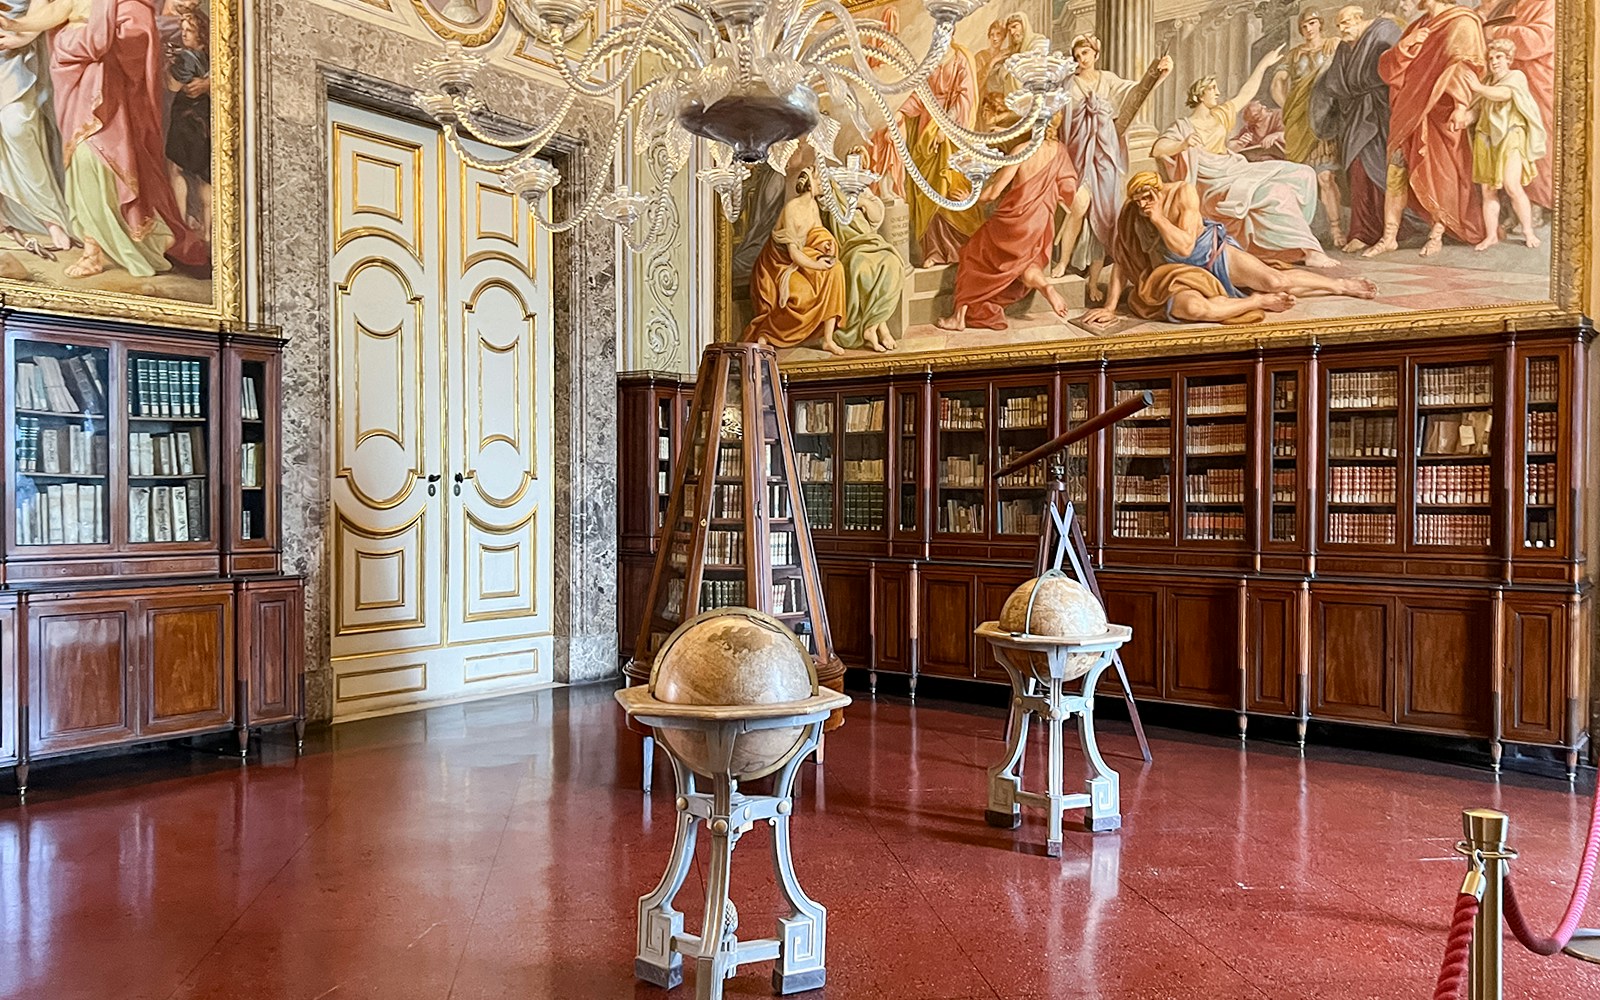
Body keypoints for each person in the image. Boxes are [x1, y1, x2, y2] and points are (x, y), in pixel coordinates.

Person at [0, 0, 208, 278]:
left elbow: (135, 39)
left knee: (101, 169)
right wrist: (16, 25)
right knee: (81, 168)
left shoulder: (133, 5)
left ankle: (108, 248)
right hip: (79, 98)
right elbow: (55, 15)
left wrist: (83, 39)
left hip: (113, 105)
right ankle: (92, 252)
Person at [1081, 172, 1378, 329]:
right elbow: (1124, 259)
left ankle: (1340, 286)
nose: (1144, 205)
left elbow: (1185, 246)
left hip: (1209, 254)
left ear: (1159, 189)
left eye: (1148, 198)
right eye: (1138, 201)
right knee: (1196, 309)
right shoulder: (1134, 213)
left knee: (1274, 280)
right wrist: (1110, 307)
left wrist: (1158, 217)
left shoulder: (1182, 193)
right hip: (1178, 276)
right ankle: (1256, 301)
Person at [1151, 49, 1337, 269]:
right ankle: (1308, 250)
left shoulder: (1220, 115)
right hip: (1212, 184)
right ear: (1200, 95)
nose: (1218, 92)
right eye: (1212, 88)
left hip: (1232, 169)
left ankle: (1292, 242)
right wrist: (1183, 144)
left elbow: (1246, 93)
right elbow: (1158, 149)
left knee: (1302, 173)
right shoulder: (1184, 126)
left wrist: (1264, 64)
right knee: (1277, 192)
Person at [1054, 31, 1173, 300]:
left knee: (1106, 218)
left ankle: (1093, 282)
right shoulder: (1068, 84)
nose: (1081, 59)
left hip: (1106, 156)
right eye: (1077, 55)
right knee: (1079, 206)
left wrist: (1159, 74)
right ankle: (1063, 261)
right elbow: (1057, 115)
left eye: (1085, 53)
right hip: (1079, 156)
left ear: (1096, 54)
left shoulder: (1108, 79)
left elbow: (1136, 93)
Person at [1366, 0, 1487, 258]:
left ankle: (1436, 234)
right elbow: (1388, 69)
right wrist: (1407, 45)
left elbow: (1464, 67)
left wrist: (1461, 105)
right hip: (1408, 108)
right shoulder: (1418, 26)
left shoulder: (1462, 21)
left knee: (1440, 172)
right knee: (1396, 169)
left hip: (1440, 108)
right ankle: (1389, 237)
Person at [937, 117, 1080, 331]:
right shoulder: (1060, 151)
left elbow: (993, 193)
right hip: (1040, 222)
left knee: (972, 255)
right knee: (1027, 263)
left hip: (1014, 220)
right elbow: (1068, 188)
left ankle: (959, 317)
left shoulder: (1021, 151)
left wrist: (970, 198)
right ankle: (1046, 287)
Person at [1311, 6, 1403, 251]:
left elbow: (1395, 68)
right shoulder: (1345, 46)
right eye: (1339, 25)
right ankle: (1362, 231)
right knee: (1357, 171)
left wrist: (1358, 86)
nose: (1341, 29)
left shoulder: (1384, 30)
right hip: (1354, 115)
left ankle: (1386, 230)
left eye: (1345, 23)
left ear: (1358, 19)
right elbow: (1334, 82)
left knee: (1378, 170)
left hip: (1380, 114)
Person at [742, 167, 848, 355]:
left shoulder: (813, 205)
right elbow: (792, 253)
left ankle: (828, 339)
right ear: (810, 185)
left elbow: (817, 233)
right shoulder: (791, 209)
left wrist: (826, 245)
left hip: (804, 256)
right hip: (778, 266)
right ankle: (769, 333)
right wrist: (817, 265)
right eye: (820, 180)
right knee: (802, 297)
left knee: (836, 269)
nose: (825, 184)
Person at [0, 0, 74, 253]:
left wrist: (20, 37)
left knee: (17, 125)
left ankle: (50, 216)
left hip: (17, 53)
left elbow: (45, 11)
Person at [1271, 10, 1345, 245]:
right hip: (1299, 123)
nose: (1308, 29)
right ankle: (1301, 233)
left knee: (1325, 177)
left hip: (1324, 121)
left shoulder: (1333, 45)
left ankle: (1336, 230)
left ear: (1320, 24)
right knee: (1301, 181)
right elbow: (1277, 83)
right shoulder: (1294, 55)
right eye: (1304, 26)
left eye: (1312, 23)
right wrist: (1289, 109)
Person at [1467, 38, 1545, 251]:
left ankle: (1528, 232)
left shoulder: (1515, 77)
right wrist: (1462, 118)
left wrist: (1478, 87)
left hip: (1511, 135)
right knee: (1488, 190)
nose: (1494, 61)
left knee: (1511, 185)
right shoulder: (1487, 82)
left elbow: (1503, 95)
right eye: (1491, 58)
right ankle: (1491, 235)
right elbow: (1477, 110)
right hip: (1486, 137)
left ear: (1509, 58)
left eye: (1499, 57)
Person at [1482, 0, 1554, 212]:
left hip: (1536, 85)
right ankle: (1514, 206)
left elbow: (1538, 40)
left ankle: (1538, 204)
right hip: (1506, 86)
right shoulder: (1508, 3)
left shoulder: (1547, 3)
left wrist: (1497, 32)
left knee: (1536, 141)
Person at [825, 176, 903, 352]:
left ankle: (874, 327)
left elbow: (876, 217)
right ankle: (880, 329)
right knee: (861, 267)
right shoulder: (828, 198)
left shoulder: (860, 190)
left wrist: (862, 202)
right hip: (850, 247)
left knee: (892, 262)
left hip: (871, 243)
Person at [166, 9, 211, 232]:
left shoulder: (186, 57)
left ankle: (181, 224)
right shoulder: (212, 59)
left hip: (186, 121)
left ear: (201, 34)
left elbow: (173, 86)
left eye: (190, 30)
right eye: (182, 30)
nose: (184, 34)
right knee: (205, 176)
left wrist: (169, 67)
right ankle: (209, 232)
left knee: (176, 170)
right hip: (205, 120)